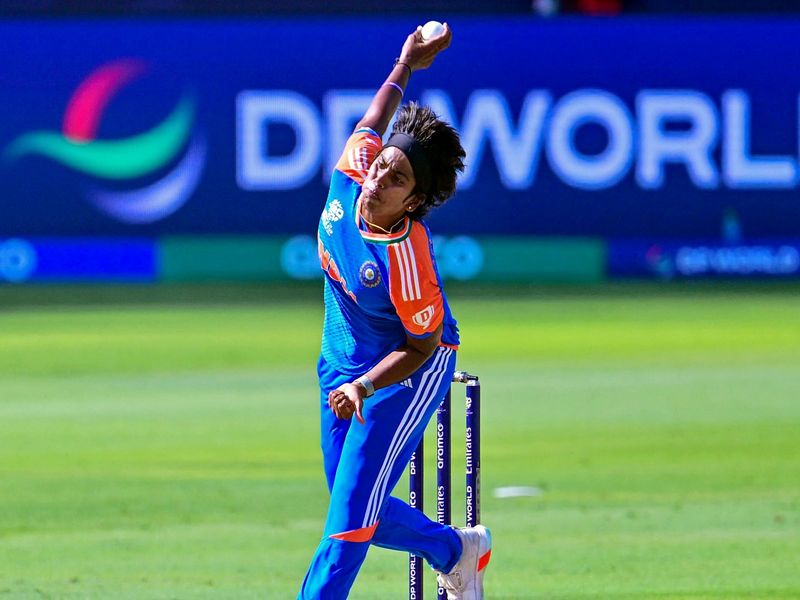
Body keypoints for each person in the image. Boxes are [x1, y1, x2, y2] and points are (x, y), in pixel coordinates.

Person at [298, 23, 492, 600]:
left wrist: (366, 385)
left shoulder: (406, 257)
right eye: (382, 165)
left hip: (404, 371)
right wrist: (405, 64)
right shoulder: (356, 167)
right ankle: (456, 552)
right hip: (339, 362)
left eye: (397, 179)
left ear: (414, 201)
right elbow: (374, 118)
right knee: (356, 505)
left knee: (348, 526)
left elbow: (422, 345)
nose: (378, 179)